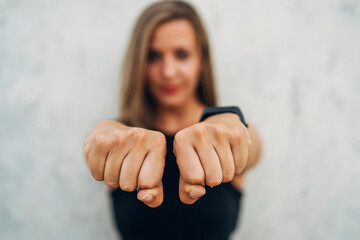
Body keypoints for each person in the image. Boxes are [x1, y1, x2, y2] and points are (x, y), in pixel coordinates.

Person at [84, 1, 262, 239]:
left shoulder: (229, 135)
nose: (167, 71)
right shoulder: (120, 143)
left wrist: (233, 124)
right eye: (153, 55)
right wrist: (103, 131)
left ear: (202, 60)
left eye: (182, 54)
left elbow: (250, 145)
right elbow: (100, 148)